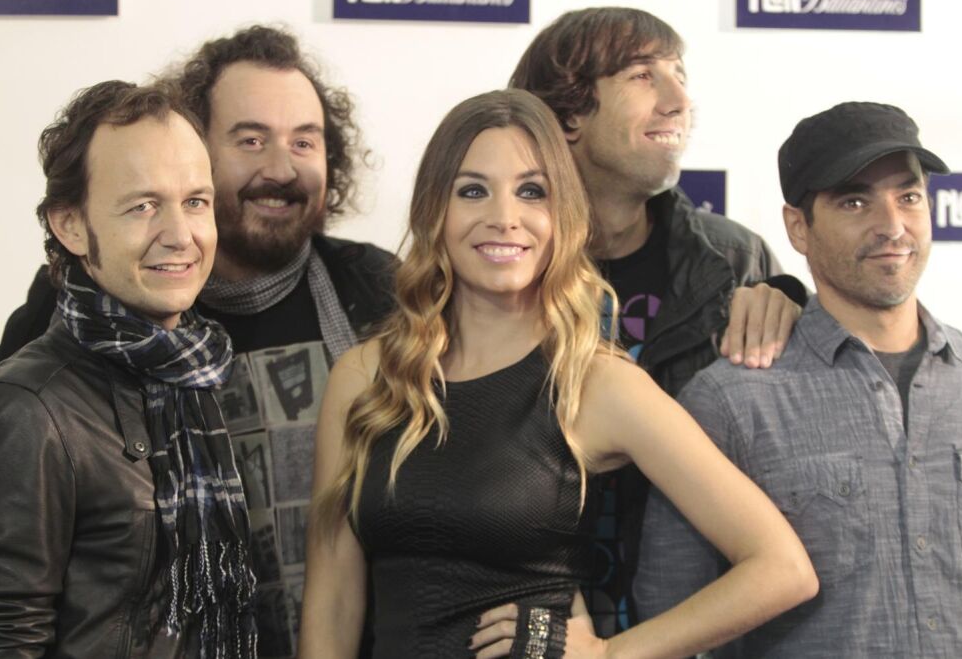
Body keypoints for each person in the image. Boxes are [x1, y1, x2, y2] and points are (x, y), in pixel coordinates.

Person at [297, 89, 817, 659]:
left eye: (532, 192)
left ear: (562, 214)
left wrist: (609, 655)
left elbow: (782, 567)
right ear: (434, 210)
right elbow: (332, 606)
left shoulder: (597, 382)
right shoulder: (365, 376)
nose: (504, 218)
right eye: (473, 190)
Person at [0, 26, 394, 657]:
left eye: (305, 141)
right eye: (251, 140)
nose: (281, 167)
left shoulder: (378, 291)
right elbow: (9, 543)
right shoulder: (68, 330)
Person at [635, 102, 962, 657]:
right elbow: (670, 613)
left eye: (909, 196)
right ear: (799, 227)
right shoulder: (731, 401)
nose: (892, 226)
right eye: (854, 201)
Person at [510, 6, 808, 631]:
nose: (679, 101)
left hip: (699, 625)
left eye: (680, 75)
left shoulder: (735, 260)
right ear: (569, 113)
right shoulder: (500, 263)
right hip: (533, 622)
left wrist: (793, 305)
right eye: (644, 76)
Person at [0, 81, 258, 656]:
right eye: (143, 206)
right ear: (71, 226)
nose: (180, 236)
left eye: (195, 202)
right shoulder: (24, 410)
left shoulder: (204, 375)